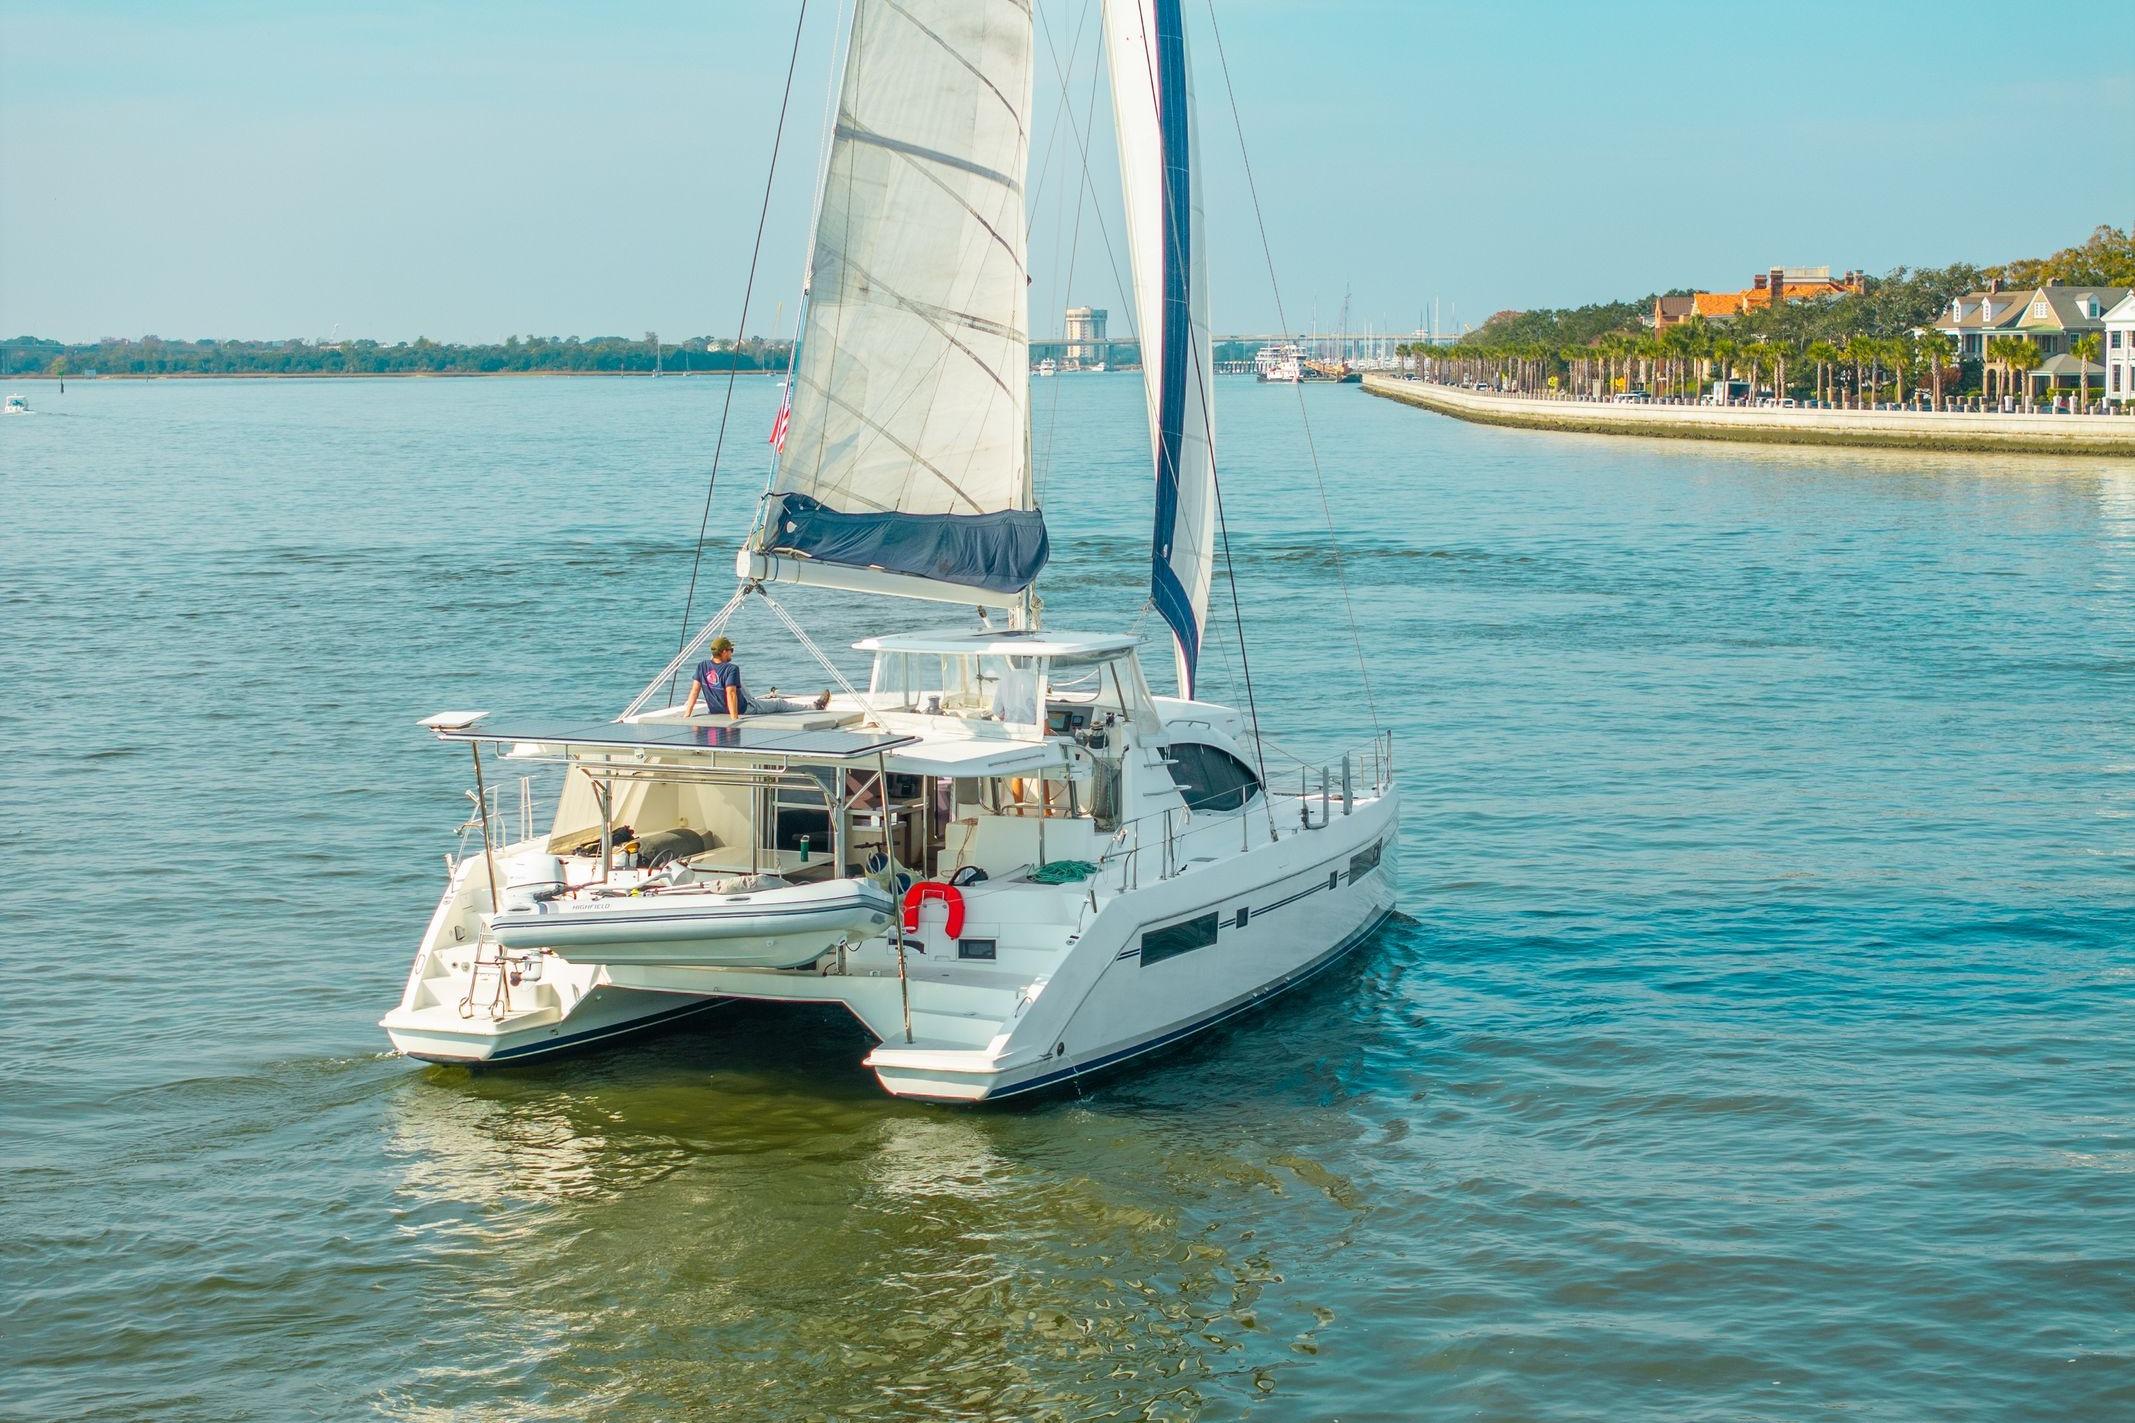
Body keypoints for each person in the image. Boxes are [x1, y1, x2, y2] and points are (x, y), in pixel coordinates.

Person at [684, 636, 830, 717]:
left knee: (737, 682)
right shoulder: (731, 668)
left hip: (715, 710)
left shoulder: (702, 666)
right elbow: (731, 693)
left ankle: (753, 700)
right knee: (779, 703)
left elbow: (694, 691)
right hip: (743, 709)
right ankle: (816, 707)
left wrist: (687, 714)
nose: (732, 652)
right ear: (723, 652)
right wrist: (734, 718)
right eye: (730, 650)